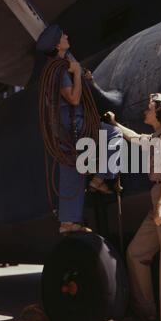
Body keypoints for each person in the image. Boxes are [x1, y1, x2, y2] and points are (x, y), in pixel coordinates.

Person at [105, 93, 161, 321]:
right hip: (160, 197)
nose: (145, 112)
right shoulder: (155, 137)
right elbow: (133, 137)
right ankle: (149, 316)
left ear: (160, 111)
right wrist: (114, 124)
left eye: (149, 109)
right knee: (136, 253)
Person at [36, 25, 123, 235]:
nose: (67, 36)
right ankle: (101, 178)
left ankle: (68, 223)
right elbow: (73, 98)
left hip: (62, 131)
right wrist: (76, 74)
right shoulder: (61, 69)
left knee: (71, 171)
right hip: (74, 127)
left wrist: (86, 79)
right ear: (58, 45)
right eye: (63, 35)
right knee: (113, 134)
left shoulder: (51, 68)